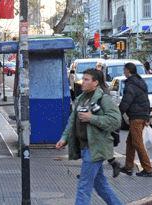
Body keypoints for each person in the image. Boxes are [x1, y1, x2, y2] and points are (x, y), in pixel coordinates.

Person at [56, 68, 122, 205]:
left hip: (96, 147)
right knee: (101, 185)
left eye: (86, 80)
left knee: (84, 186)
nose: (82, 82)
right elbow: (71, 122)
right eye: (83, 79)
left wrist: (92, 118)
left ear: (96, 82)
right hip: (85, 147)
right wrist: (64, 139)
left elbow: (116, 121)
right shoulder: (81, 98)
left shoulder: (103, 99)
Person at [119, 63, 152, 177]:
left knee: (137, 143)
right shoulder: (140, 82)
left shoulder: (131, 85)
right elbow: (146, 100)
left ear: (128, 71)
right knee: (130, 142)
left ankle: (148, 169)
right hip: (141, 115)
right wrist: (147, 117)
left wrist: (118, 113)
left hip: (136, 116)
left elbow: (126, 102)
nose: (124, 72)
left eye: (124, 70)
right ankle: (128, 167)